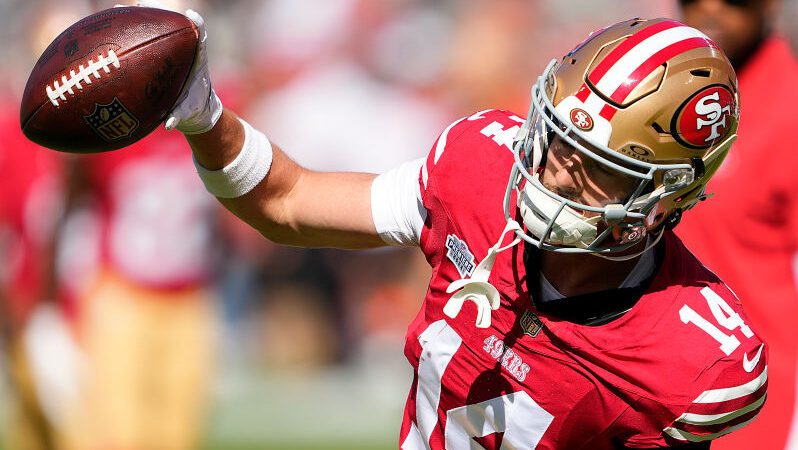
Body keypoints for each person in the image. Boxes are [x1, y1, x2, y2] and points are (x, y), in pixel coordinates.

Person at [94, 3, 770, 448]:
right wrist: (203, 114)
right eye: (557, 140)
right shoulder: (481, 169)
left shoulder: (698, 360)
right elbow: (289, 201)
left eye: (595, 166)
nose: (555, 173)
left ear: (663, 197)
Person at [674, 1, 798, 448]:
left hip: (750, 407)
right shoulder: (660, 88)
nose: (710, 7)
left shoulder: (790, 110)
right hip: (650, 382)